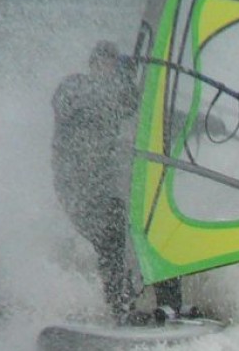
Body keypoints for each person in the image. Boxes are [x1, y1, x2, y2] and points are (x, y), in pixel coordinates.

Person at [51, 40, 186, 321]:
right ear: (93, 64)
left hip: (105, 188)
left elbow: (156, 114)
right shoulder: (73, 87)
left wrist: (196, 121)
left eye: (113, 67)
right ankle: (120, 310)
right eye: (105, 65)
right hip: (76, 189)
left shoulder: (121, 96)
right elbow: (79, 102)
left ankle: (170, 304)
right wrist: (120, 82)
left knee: (154, 224)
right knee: (112, 235)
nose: (109, 72)